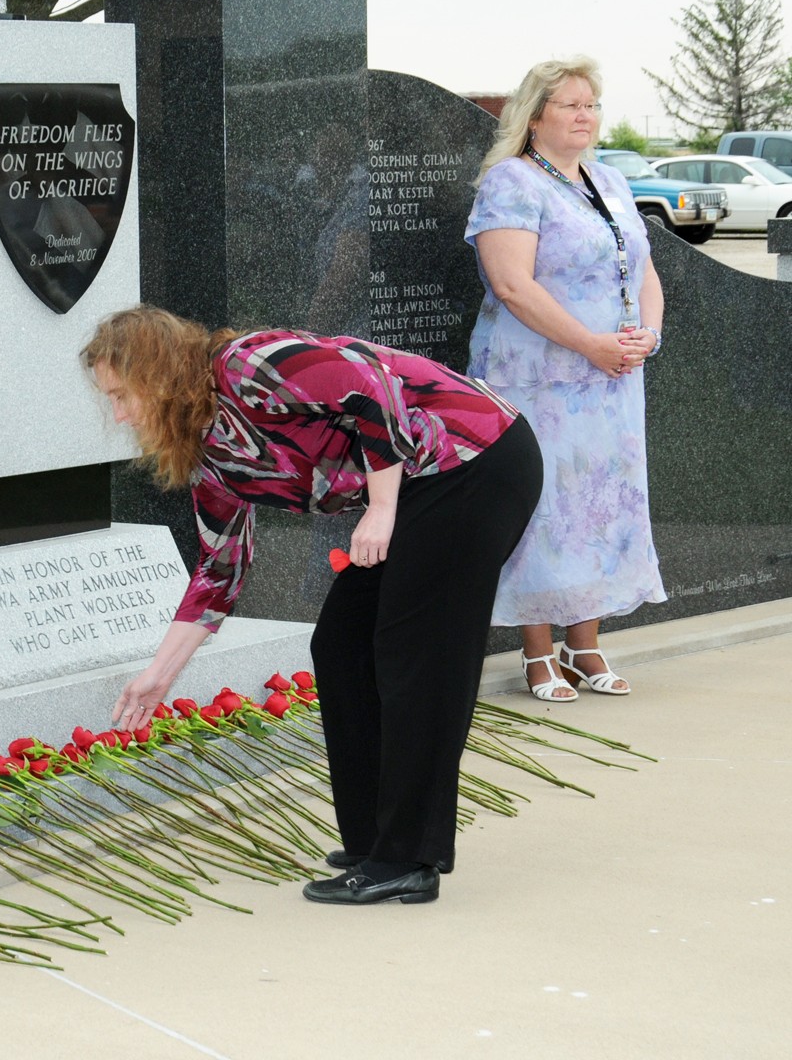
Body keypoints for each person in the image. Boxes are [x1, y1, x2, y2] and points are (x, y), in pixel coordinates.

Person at [92, 307, 541, 905]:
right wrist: (158, 677)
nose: (119, 414)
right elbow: (219, 569)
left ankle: (405, 856)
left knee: (418, 654)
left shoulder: (248, 363)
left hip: (475, 459)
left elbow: (369, 388)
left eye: (123, 395)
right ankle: (373, 842)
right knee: (341, 643)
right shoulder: (212, 449)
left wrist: (381, 509)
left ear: (157, 372)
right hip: (420, 486)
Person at [465, 57, 666, 703]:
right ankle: (536, 653)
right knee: (545, 509)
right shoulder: (512, 182)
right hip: (538, 380)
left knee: (601, 506)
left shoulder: (609, 180)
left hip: (610, 380)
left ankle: (585, 645)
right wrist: (590, 345)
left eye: (593, 105)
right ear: (536, 116)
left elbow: (644, 270)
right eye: (571, 105)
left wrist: (647, 336)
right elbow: (511, 284)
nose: (586, 116)